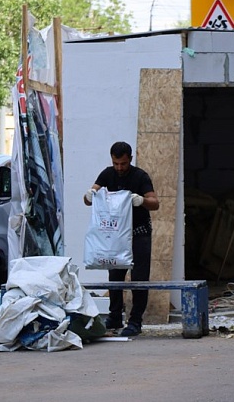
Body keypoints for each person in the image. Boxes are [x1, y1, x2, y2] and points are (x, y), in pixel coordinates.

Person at [84, 141, 159, 336]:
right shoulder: (107, 174)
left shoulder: (140, 176)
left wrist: (142, 201)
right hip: (116, 235)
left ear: (130, 160)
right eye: (116, 163)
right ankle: (115, 316)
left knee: (139, 279)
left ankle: (135, 321)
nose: (120, 168)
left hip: (139, 233)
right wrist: (90, 195)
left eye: (123, 164)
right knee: (115, 276)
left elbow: (155, 203)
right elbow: (89, 196)